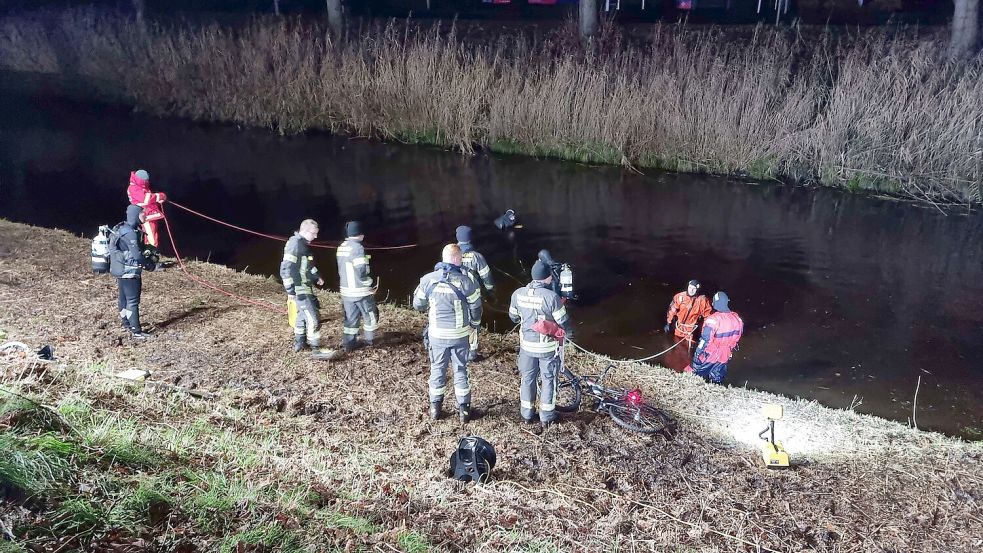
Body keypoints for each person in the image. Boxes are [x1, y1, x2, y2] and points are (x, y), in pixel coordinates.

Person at [413, 244, 483, 423]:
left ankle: (436, 409)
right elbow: (476, 308)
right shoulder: (467, 282)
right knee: (460, 369)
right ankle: (464, 412)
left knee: (437, 369)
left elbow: (418, 305)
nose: (461, 261)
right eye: (460, 258)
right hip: (460, 335)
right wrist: (474, 325)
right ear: (455, 259)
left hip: (437, 336)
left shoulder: (428, 280)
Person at [509, 259, 572, 428]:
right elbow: (563, 320)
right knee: (549, 380)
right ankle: (547, 416)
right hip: (547, 348)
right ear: (547, 278)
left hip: (527, 347)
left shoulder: (518, 294)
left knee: (528, 379)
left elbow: (513, 316)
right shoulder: (552, 297)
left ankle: (527, 414)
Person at [280, 219, 324, 353]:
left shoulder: (303, 244)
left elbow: (308, 264)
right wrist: (290, 290)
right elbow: (285, 269)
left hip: (305, 286)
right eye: (313, 233)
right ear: (304, 231)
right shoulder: (295, 244)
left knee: (301, 316)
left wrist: (317, 276)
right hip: (300, 289)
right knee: (313, 318)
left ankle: (300, 343)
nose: (315, 237)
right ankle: (315, 348)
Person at [336, 221, 379, 351]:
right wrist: (369, 284)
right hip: (360, 291)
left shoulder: (341, 246)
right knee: (370, 315)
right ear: (360, 234)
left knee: (351, 318)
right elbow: (361, 270)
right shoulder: (358, 248)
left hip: (346, 291)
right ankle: (369, 341)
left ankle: (349, 343)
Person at [685, 291, 744, 384]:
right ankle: (715, 389)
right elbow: (737, 339)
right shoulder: (737, 319)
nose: (712, 303)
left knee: (691, 372)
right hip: (726, 354)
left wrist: (697, 355)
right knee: (716, 376)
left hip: (710, 354)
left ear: (717, 303)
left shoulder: (713, 319)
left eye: (713, 302)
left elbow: (705, 341)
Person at [110, 205, 150, 339]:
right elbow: (137, 256)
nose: (145, 216)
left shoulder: (123, 229)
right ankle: (136, 331)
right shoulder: (130, 233)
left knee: (123, 299)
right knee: (132, 301)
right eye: (143, 214)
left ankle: (127, 324)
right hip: (130, 272)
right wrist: (150, 265)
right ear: (135, 215)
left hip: (121, 270)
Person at [456, 225, 493, 361]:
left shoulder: (451, 254)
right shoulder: (476, 257)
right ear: (471, 239)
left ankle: (457, 349)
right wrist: (490, 291)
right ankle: (472, 352)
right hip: (472, 297)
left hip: (454, 295)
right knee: (474, 323)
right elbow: (486, 276)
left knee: (458, 320)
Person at [126, 169, 167, 253]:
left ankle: (150, 255)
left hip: (150, 214)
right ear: (141, 180)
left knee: (150, 236)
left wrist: (158, 201)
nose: (147, 182)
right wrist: (160, 196)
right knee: (151, 237)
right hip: (146, 216)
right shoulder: (134, 188)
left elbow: (149, 200)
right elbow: (146, 199)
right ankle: (152, 256)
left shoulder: (139, 186)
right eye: (145, 181)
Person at [664, 279, 713, 344]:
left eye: (694, 288)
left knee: (687, 348)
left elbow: (707, 317)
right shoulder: (680, 297)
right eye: (690, 287)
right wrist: (668, 323)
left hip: (692, 330)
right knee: (675, 345)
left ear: (697, 289)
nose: (691, 290)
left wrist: (704, 332)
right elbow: (672, 310)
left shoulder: (702, 300)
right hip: (679, 327)